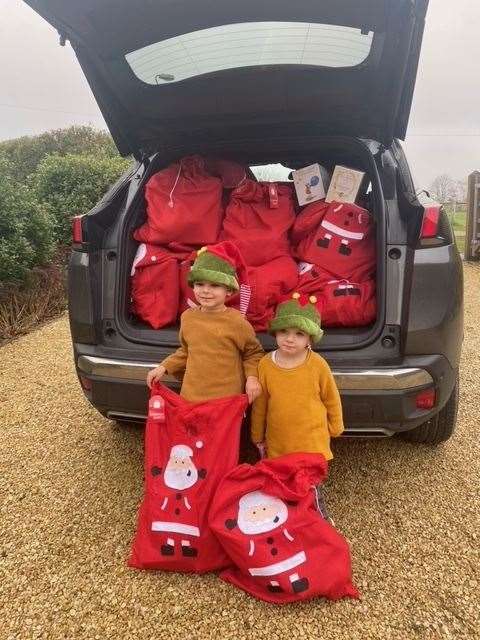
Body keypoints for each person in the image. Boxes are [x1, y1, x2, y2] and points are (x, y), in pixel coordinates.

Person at [250, 292, 344, 520]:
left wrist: (335, 426)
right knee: (281, 483)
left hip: (311, 441)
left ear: (310, 339)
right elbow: (261, 404)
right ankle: (287, 520)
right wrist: (256, 434)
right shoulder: (265, 365)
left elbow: (331, 397)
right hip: (279, 441)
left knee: (310, 486)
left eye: (299, 334)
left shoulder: (318, 365)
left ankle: (319, 522)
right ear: (275, 333)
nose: (290, 339)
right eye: (284, 332)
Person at [146, 241, 263, 404]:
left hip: (225, 401)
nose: (205, 291)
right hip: (191, 396)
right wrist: (164, 367)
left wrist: (252, 378)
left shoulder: (236, 322)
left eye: (214, 285)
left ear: (228, 290)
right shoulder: (188, 317)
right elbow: (186, 351)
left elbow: (253, 353)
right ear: (192, 286)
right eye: (199, 284)